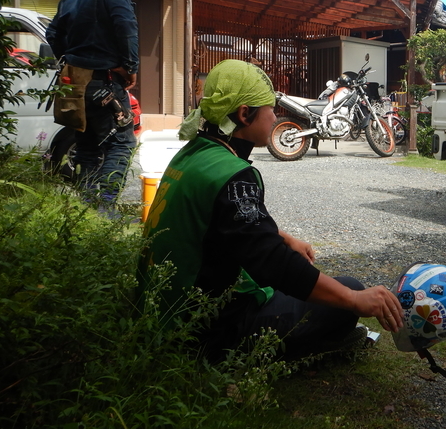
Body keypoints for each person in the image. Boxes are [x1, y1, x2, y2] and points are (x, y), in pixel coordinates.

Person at [138, 59, 403, 361]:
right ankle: (281, 352)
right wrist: (355, 300)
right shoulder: (233, 174)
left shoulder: (194, 153)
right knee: (345, 295)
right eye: (270, 109)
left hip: (161, 312)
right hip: (202, 330)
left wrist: (283, 236)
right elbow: (274, 264)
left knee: (317, 291)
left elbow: (222, 219)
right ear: (244, 114)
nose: (276, 116)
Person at [46, 0, 139, 205]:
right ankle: (105, 206)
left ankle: (87, 207)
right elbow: (126, 28)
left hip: (74, 83)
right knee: (121, 144)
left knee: (87, 147)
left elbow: (53, 34)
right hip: (104, 81)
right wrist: (130, 67)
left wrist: (73, 59)